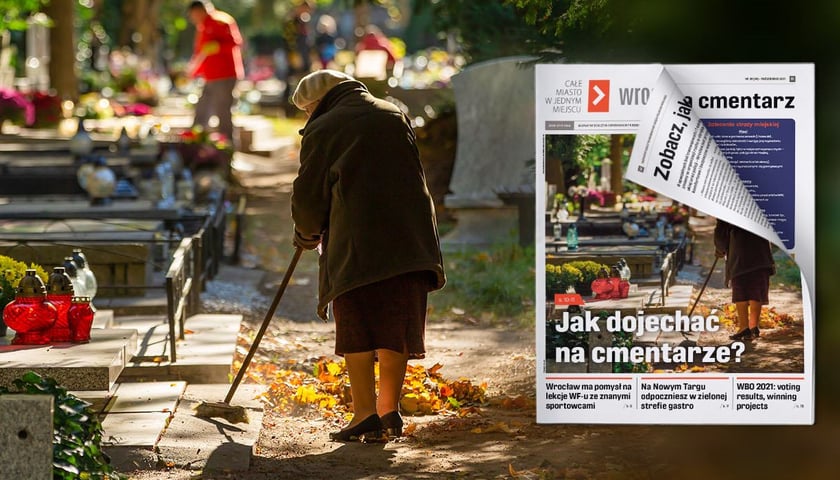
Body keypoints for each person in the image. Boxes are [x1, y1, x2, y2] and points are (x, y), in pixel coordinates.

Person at [290, 70, 445, 442]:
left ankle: (363, 415)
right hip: (410, 240)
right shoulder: (393, 113)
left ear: (315, 105)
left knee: (358, 326)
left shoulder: (325, 126)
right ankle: (388, 412)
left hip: (358, 246)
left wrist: (306, 233)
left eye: (307, 111)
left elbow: (310, 194)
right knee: (396, 324)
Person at [187, 0, 243, 147]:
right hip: (210, 76)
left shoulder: (221, 20)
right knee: (202, 110)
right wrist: (193, 72)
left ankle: (228, 148)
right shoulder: (202, 26)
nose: (193, 19)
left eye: (194, 15)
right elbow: (201, 54)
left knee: (222, 112)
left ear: (200, 11)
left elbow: (235, 42)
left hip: (225, 75)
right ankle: (195, 145)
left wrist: (218, 46)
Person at [714, 219, 775, 340]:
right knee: (756, 289)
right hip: (761, 253)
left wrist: (720, 248)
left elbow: (721, 232)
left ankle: (744, 328)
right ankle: (754, 327)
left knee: (741, 290)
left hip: (740, 253)